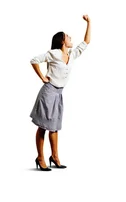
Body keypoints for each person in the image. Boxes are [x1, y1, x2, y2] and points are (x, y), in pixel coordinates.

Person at [30, 15, 91, 171]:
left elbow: (86, 42)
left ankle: (55, 157)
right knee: (43, 126)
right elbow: (34, 60)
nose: (70, 38)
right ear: (62, 41)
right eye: (67, 36)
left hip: (59, 94)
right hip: (49, 92)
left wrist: (89, 22)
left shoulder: (71, 55)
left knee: (54, 126)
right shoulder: (55, 53)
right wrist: (43, 77)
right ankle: (40, 157)